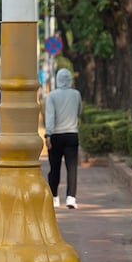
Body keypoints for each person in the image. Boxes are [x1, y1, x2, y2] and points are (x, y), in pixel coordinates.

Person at [44, 68, 82, 209]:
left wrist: (48, 134)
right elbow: (79, 111)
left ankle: (54, 197)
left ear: (58, 79)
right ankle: (71, 198)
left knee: (55, 168)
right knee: (72, 168)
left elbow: (50, 117)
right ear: (70, 80)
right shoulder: (76, 94)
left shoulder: (52, 96)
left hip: (55, 136)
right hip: (72, 135)